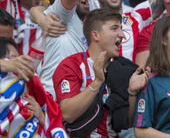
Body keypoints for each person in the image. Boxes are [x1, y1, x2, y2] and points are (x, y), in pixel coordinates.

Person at [52, 8, 149, 137]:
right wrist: (97, 82)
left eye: (121, 29)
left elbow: (127, 123)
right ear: (95, 35)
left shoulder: (124, 68)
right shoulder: (71, 66)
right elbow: (68, 114)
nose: (122, 35)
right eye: (114, 28)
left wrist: (132, 93)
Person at [0, 37, 67, 137]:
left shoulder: (29, 83)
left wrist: (43, 117)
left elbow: (50, 109)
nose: (19, 63)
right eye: (13, 58)